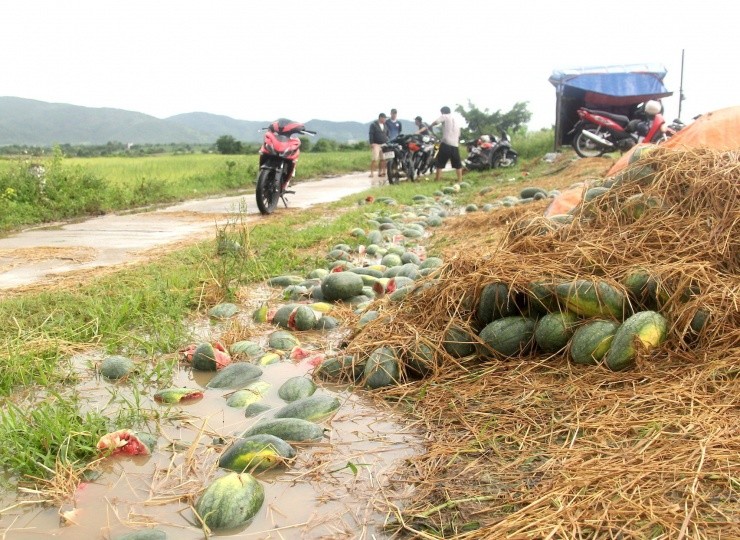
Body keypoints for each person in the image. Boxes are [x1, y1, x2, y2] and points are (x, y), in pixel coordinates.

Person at [428, 106, 462, 182]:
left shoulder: (444, 116)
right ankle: (460, 180)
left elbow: (436, 122)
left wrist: (430, 126)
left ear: (442, 112)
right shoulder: (455, 119)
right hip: (455, 144)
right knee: (458, 164)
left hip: (446, 143)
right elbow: (459, 134)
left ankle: (437, 179)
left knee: (440, 163)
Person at [368, 112, 388, 178]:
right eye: (384, 118)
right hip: (376, 144)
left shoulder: (385, 125)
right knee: (375, 159)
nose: (385, 120)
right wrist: (371, 143)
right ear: (380, 118)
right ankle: (371, 173)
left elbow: (387, 133)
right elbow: (371, 133)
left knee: (383, 159)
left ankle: (381, 172)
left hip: (383, 144)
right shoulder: (373, 125)